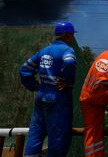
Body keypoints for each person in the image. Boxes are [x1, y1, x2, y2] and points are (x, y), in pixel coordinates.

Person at [20, 22, 77, 157]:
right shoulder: (67, 51)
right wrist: (67, 80)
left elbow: (24, 69)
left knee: (36, 132)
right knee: (58, 136)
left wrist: (35, 86)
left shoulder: (44, 51)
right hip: (58, 97)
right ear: (69, 35)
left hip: (41, 95)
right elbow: (69, 62)